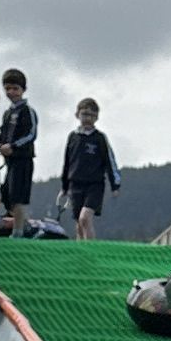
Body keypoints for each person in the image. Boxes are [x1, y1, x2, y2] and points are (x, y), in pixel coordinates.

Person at [60, 98, 119, 238]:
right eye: (85, 114)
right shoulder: (73, 137)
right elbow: (67, 162)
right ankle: (80, 249)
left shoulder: (99, 138)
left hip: (94, 185)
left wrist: (115, 184)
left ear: (97, 118)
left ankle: (91, 248)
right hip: (75, 184)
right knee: (79, 223)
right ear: (77, 115)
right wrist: (64, 186)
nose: (88, 118)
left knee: (85, 217)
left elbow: (110, 161)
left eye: (92, 115)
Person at [0, 69, 40, 228]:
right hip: (9, 161)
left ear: (23, 89)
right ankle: (19, 225)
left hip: (23, 159)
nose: (11, 92)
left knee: (18, 197)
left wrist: (12, 146)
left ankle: (19, 231)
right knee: (8, 195)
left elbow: (31, 134)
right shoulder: (8, 113)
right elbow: (3, 132)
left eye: (15, 88)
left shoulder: (27, 111)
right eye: (8, 88)